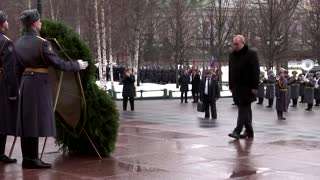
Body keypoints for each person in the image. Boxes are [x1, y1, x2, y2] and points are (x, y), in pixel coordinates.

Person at [15, 9, 88, 169]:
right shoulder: (42, 43)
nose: (41, 23)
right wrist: (77, 65)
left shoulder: (18, 42)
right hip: (38, 85)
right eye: (39, 21)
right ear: (34, 23)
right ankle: (32, 158)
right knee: (34, 121)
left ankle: (27, 157)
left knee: (27, 121)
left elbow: (17, 68)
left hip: (26, 83)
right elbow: (59, 63)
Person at [228, 35, 260, 140]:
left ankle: (237, 130)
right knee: (245, 110)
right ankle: (249, 131)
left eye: (236, 44)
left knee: (243, 109)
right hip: (236, 88)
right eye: (234, 43)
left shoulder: (251, 54)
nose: (234, 46)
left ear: (242, 43)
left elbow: (255, 71)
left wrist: (255, 86)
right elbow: (230, 71)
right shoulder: (232, 55)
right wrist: (231, 85)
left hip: (248, 88)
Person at [0, 11, 19, 163]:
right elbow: (10, 71)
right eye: (6, 21)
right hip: (2, 86)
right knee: (3, 120)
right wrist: (13, 92)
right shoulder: (6, 42)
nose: (8, 23)